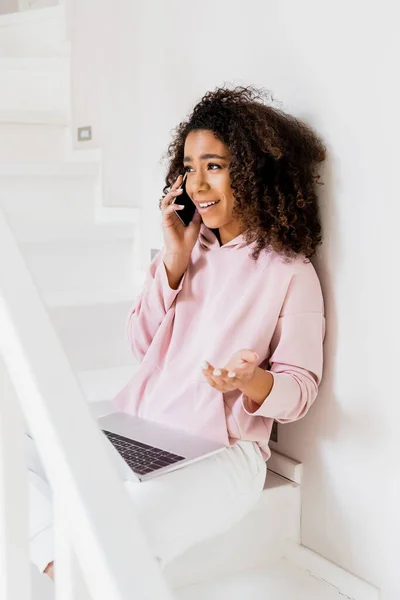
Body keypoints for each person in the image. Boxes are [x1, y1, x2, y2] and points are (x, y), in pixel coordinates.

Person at [29, 85, 326, 581]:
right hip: (143, 428)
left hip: (226, 456)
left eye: (214, 165)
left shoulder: (291, 272)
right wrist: (175, 260)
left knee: (122, 532)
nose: (197, 184)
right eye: (189, 167)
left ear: (253, 172)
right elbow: (141, 344)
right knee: (14, 450)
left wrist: (250, 381)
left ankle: (76, 569)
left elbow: (300, 390)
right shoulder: (187, 250)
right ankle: (65, 563)